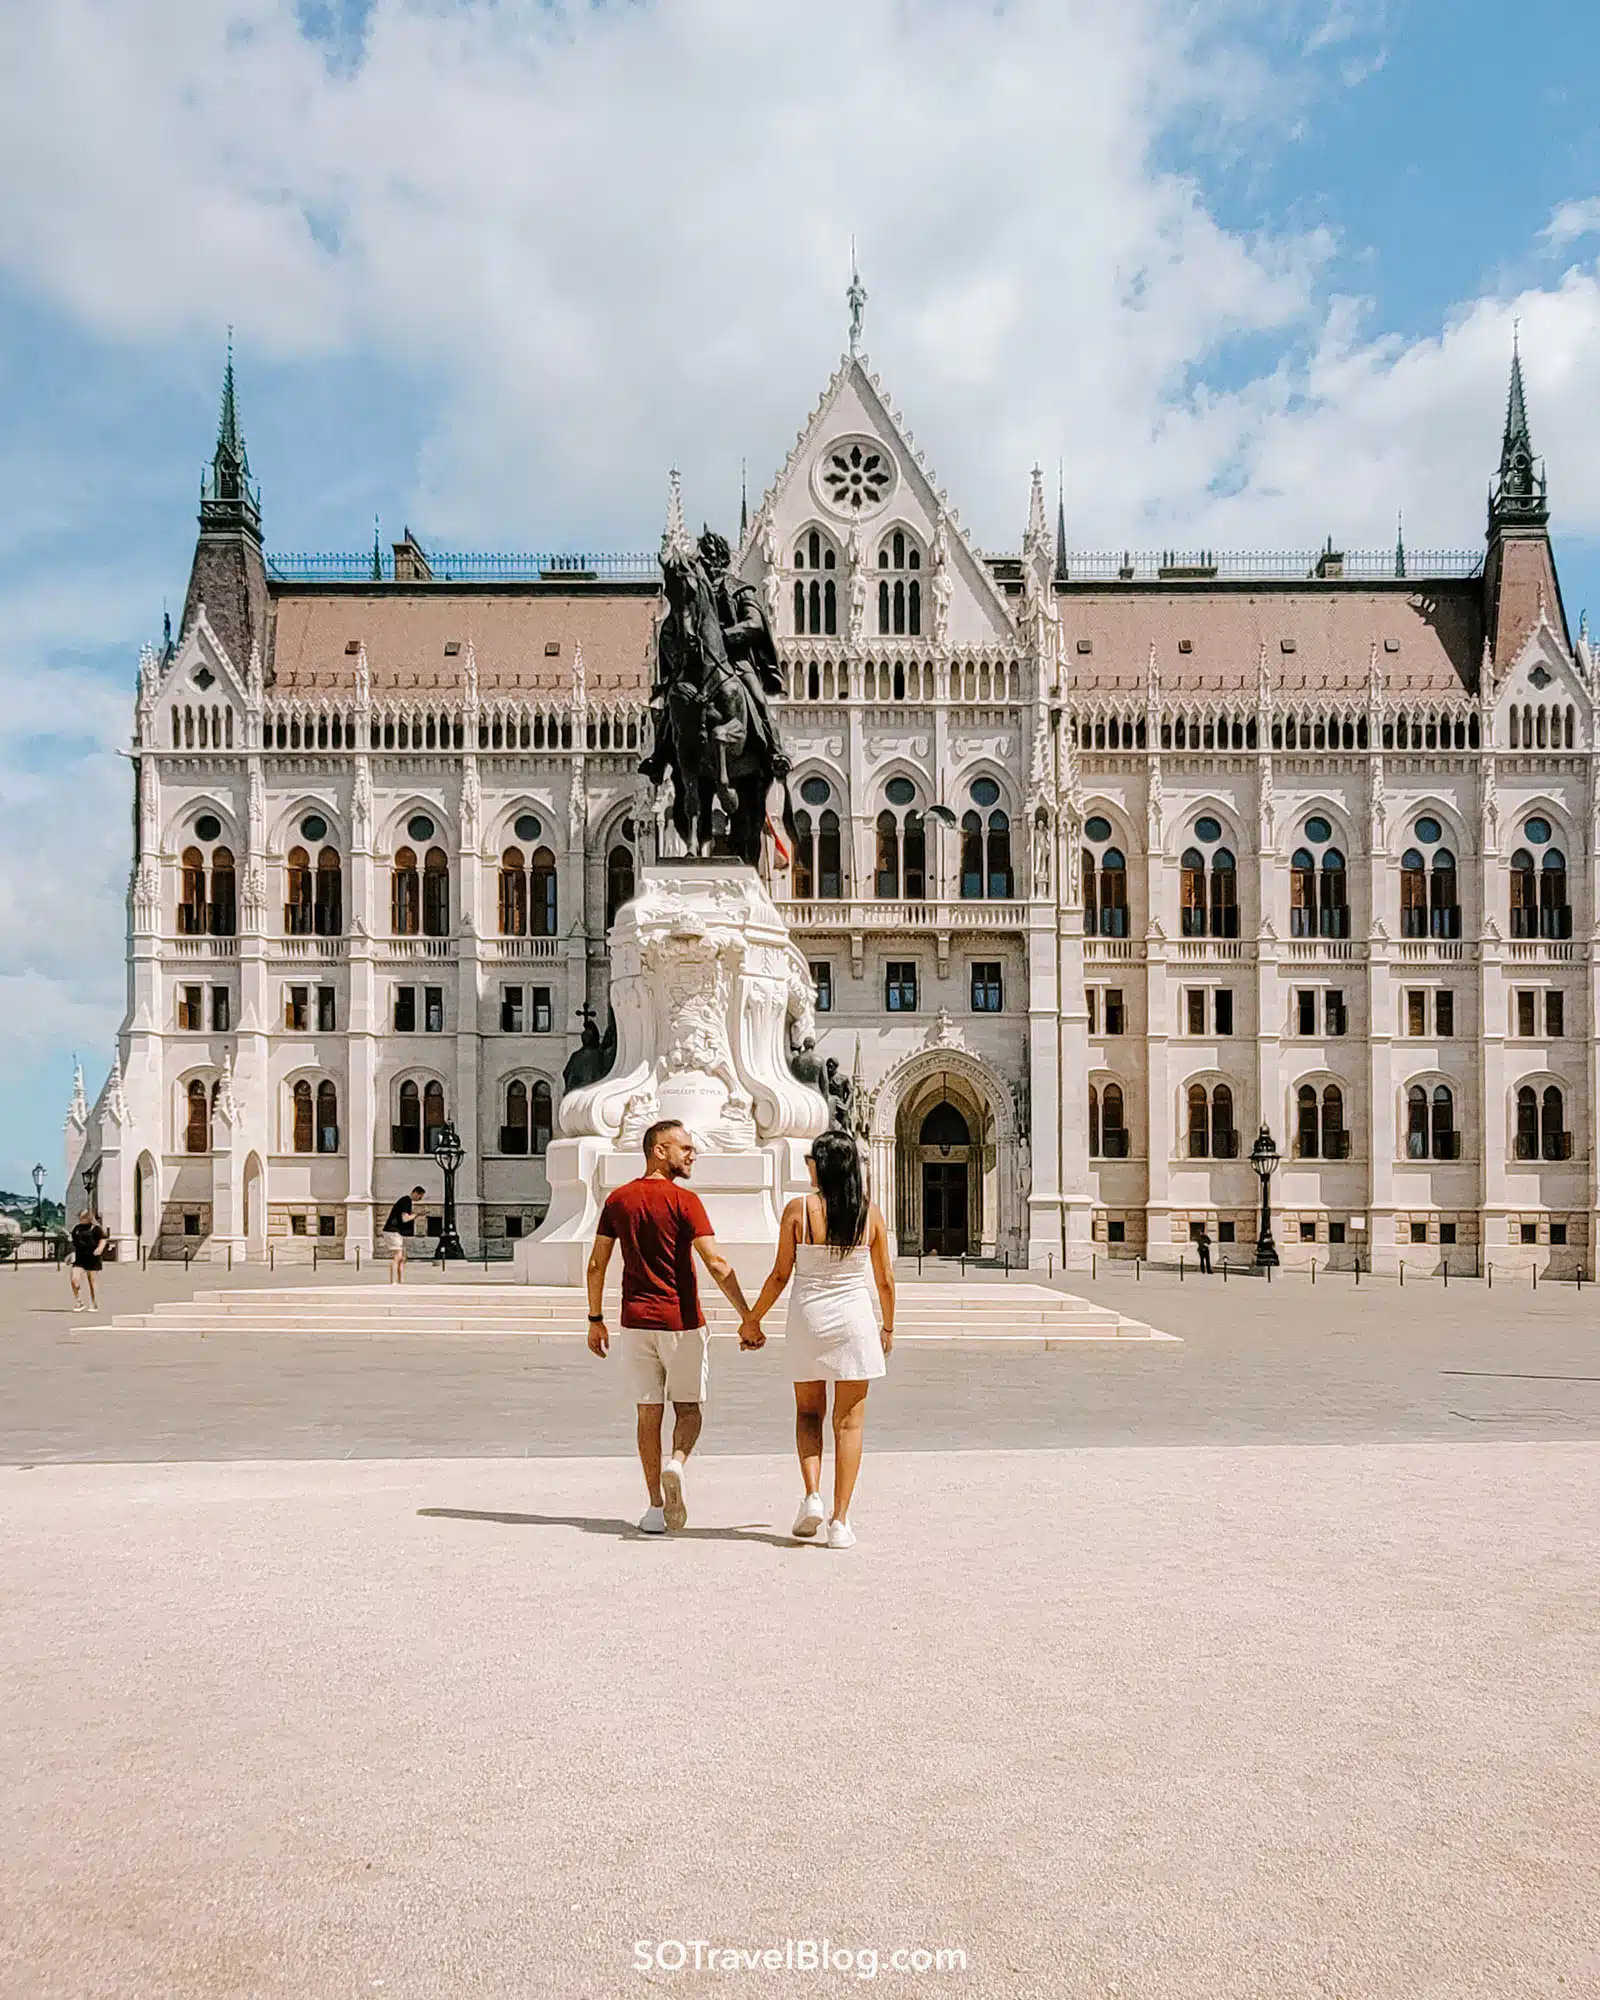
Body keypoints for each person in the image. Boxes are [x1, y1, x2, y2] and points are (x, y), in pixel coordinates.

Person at [587, 1119, 763, 1535]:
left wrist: (595, 1319)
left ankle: (653, 1507)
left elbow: (597, 1264)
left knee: (647, 1413)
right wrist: (748, 1317)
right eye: (684, 1148)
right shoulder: (686, 1202)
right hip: (681, 1322)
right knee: (689, 1410)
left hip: (635, 1321)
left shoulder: (618, 1201)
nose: (692, 1154)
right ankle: (676, 1463)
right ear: (658, 1150)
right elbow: (716, 1263)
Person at [744, 1131, 895, 1550]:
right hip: (854, 1320)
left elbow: (779, 1275)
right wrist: (888, 1327)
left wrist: (752, 1321)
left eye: (811, 1159)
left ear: (822, 1166)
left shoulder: (799, 1210)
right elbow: (884, 1279)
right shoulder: (870, 1215)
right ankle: (840, 1520)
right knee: (849, 1423)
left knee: (808, 1413)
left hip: (808, 1318)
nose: (807, 1164)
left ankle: (811, 1495)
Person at [68, 1209, 110, 1313]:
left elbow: (103, 1239)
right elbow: (74, 1242)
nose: (80, 1218)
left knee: (92, 1281)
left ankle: (94, 1302)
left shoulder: (96, 1229)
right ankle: (79, 1301)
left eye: (83, 1217)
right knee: (74, 1279)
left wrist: (99, 1248)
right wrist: (70, 1254)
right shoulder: (77, 1228)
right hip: (80, 1258)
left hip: (92, 1257)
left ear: (89, 1218)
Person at [382, 1187, 426, 1283]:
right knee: (398, 1256)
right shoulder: (406, 1201)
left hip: (394, 1231)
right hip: (392, 1231)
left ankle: (400, 1280)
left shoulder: (405, 1201)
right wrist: (416, 1215)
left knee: (402, 1258)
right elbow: (405, 1219)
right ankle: (393, 1281)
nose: (420, 1199)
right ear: (416, 1193)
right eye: (420, 1197)